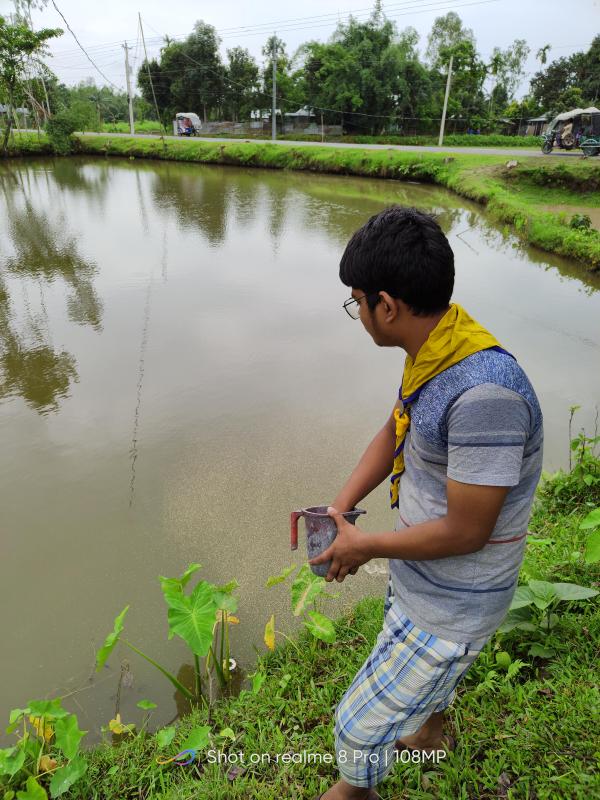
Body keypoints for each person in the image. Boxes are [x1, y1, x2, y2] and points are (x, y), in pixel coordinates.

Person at [309, 206, 544, 800]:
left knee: (356, 734)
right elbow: (397, 429)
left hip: (456, 600)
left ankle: (354, 790)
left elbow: (468, 531)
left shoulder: (485, 394)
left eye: (356, 301)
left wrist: (364, 546)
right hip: (423, 575)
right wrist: (338, 509)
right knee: (416, 674)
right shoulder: (438, 346)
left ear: (386, 306)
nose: (356, 314)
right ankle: (432, 734)